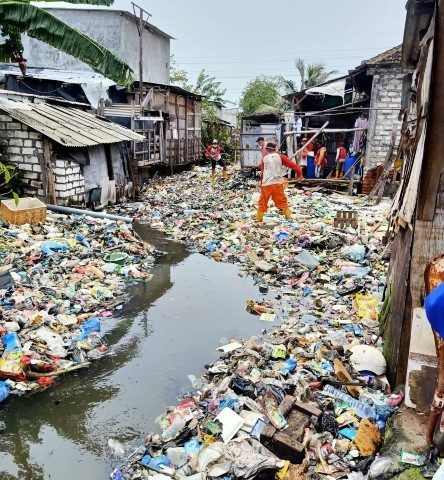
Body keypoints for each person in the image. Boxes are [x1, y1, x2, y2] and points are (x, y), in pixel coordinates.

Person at [256, 142, 302, 222]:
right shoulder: (280, 156)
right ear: (276, 149)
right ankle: (288, 218)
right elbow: (293, 165)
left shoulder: (264, 159)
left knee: (262, 202)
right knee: (282, 201)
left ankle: (258, 219)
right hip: (276, 184)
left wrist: (261, 183)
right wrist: (299, 175)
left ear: (267, 150)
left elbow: (263, 173)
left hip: (265, 185)